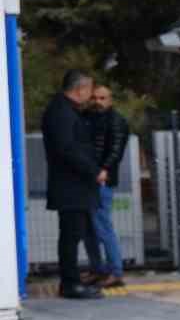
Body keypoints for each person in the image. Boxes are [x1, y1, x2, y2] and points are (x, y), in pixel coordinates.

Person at [41, 71, 105, 300]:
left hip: (76, 185)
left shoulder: (66, 110)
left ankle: (77, 279)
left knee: (76, 233)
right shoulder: (61, 112)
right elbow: (68, 149)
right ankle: (70, 284)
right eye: (89, 90)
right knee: (70, 235)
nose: (91, 95)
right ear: (80, 89)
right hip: (70, 186)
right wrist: (94, 171)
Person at [86, 83, 130, 289]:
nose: (98, 102)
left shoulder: (116, 121)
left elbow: (116, 151)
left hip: (102, 180)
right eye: (94, 98)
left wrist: (104, 170)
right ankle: (98, 269)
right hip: (89, 178)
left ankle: (115, 271)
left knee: (102, 226)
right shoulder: (89, 118)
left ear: (110, 100)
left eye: (102, 98)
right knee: (90, 227)